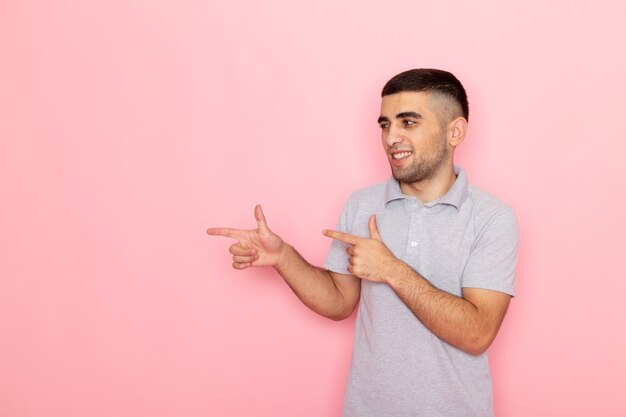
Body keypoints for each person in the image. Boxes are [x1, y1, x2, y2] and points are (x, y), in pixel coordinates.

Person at [207, 68, 519, 417]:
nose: (390, 138)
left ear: (455, 131)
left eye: (408, 123)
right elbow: (340, 301)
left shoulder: (492, 218)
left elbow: (477, 334)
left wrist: (391, 270)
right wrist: (283, 257)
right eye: (385, 125)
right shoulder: (362, 204)